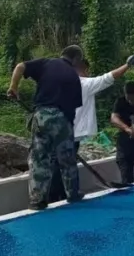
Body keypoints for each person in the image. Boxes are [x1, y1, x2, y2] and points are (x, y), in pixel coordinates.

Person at [7, 46, 84, 210]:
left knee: (39, 159)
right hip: (62, 118)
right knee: (67, 160)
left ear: (62, 54)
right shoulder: (73, 76)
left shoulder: (47, 63)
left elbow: (20, 66)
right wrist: (68, 135)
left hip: (41, 116)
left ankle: (38, 200)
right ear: (76, 59)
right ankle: (73, 194)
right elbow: (73, 109)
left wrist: (13, 87)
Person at [48, 56, 133, 202]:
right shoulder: (83, 83)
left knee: (58, 164)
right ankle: (62, 196)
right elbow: (108, 78)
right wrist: (128, 65)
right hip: (69, 133)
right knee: (64, 165)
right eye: (87, 71)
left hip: (55, 131)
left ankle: (57, 196)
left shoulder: (58, 84)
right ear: (82, 69)